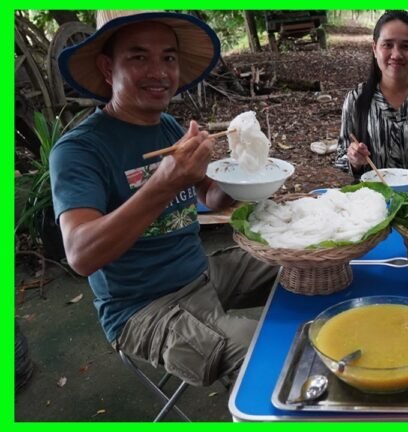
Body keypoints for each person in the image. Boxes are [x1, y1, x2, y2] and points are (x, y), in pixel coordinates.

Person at [50, 11, 277, 387]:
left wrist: (247, 175)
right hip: (142, 308)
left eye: (168, 58)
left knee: (302, 262)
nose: (159, 71)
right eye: (139, 57)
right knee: (269, 357)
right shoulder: (79, 150)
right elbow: (81, 255)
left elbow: (210, 195)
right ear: (108, 68)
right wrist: (165, 183)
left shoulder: (168, 127)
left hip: (200, 272)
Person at [334, 10, 408, 180]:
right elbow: (342, 157)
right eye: (387, 45)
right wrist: (354, 158)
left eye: (406, 46)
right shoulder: (356, 98)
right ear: (375, 49)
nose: (396, 55)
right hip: (370, 199)